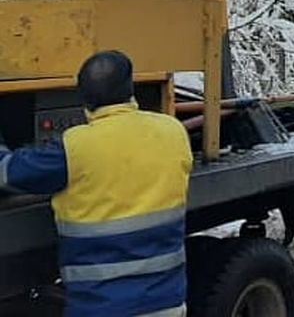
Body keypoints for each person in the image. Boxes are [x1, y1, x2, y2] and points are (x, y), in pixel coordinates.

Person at [0, 51, 193, 316]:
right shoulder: (174, 132)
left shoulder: (74, 148)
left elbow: (8, 173)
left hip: (101, 309)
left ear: (84, 98)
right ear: (130, 89)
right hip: (166, 306)